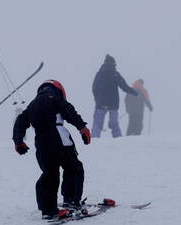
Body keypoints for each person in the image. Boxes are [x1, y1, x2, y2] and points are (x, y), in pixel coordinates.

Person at [12, 80, 91, 220]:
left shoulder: (32, 105)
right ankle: (71, 201)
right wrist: (82, 128)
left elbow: (20, 122)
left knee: (50, 174)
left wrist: (18, 142)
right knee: (74, 167)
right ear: (59, 90)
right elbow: (68, 110)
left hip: (41, 143)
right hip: (58, 136)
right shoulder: (54, 97)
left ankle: (48, 210)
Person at [91, 54, 138, 138]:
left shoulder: (99, 74)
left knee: (97, 123)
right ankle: (118, 140)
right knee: (114, 124)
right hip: (113, 103)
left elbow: (94, 88)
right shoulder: (115, 74)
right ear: (113, 64)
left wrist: (97, 99)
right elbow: (124, 87)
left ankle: (94, 140)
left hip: (101, 101)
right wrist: (135, 93)